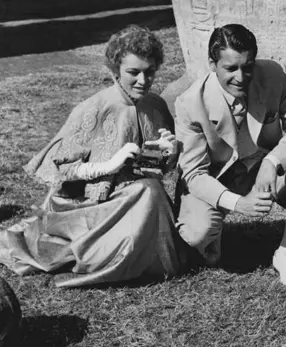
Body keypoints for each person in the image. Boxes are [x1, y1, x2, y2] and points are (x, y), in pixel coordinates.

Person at [0, 25, 187, 287]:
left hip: (135, 197)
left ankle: (145, 255)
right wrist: (108, 165)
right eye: (134, 73)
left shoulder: (155, 105)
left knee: (150, 190)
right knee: (149, 192)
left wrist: (168, 154)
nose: (143, 81)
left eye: (150, 72)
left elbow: (152, 168)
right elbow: (59, 168)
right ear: (115, 70)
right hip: (86, 204)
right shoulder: (93, 108)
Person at [174, 23, 286, 287]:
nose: (241, 77)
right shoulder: (190, 103)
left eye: (248, 66)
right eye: (231, 68)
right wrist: (237, 203)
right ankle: (214, 231)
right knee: (196, 239)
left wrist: (272, 161)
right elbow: (194, 174)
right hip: (216, 178)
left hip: (263, 171)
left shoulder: (275, 74)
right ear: (212, 64)